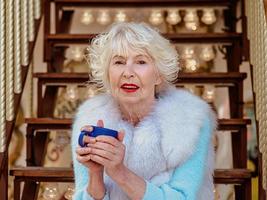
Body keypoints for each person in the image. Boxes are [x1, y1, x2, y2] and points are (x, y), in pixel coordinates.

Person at [71, 22, 217, 200]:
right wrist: (95, 173)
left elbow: (183, 197)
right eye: (119, 62)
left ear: (158, 75)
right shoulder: (91, 120)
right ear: (108, 74)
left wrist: (120, 172)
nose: (128, 72)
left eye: (141, 62)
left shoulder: (191, 122)